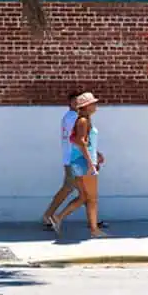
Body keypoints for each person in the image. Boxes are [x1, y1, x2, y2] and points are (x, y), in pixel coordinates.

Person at [50, 92, 107, 239]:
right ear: (86, 107)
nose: (95, 105)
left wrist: (96, 153)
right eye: (93, 103)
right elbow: (81, 142)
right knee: (92, 198)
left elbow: (78, 140)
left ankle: (58, 217)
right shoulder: (82, 121)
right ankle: (94, 230)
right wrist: (90, 163)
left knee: (83, 197)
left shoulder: (83, 120)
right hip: (84, 162)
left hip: (80, 161)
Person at [42, 91, 79, 230]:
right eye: (75, 101)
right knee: (70, 188)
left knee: (84, 190)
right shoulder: (74, 117)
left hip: (71, 158)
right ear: (69, 103)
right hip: (74, 158)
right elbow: (78, 139)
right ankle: (49, 215)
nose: (78, 104)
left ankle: (93, 219)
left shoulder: (68, 117)